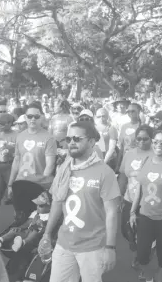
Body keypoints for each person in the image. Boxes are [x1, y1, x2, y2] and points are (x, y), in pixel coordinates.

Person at [41, 121, 119, 282]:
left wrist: (110, 248)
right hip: (64, 244)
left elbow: (112, 212)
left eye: (77, 139)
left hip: (93, 247)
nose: (71, 143)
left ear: (91, 141)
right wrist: (47, 234)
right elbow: (57, 201)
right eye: (68, 139)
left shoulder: (105, 172)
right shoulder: (64, 168)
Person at [130, 129, 162, 282]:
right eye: (156, 142)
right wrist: (133, 211)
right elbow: (139, 189)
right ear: (152, 143)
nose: (159, 145)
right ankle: (148, 277)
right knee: (142, 255)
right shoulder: (146, 161)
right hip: (145, 216)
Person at [8, 103, 57, 222]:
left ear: (41, 117)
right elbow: (16, 160)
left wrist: (43, 185)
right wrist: (10, 184)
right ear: (25, 118)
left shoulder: (48, 138)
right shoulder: (20, 136)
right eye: (29, 116)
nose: (33, 119)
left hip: (39, 186)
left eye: (36, 116)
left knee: (38, 220)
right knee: (20, 218)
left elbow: (50, 165)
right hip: (21, 184)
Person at [118, 124, 154, 267]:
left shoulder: (155, 155)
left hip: (148, 201)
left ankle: (143, 257)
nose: (141, 141)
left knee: (144, 233)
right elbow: (122, 175)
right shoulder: (129, 154)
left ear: (151, 139)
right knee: (127, 230)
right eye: (138, 138)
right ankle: (139, 251)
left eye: (145, 139)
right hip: (129, 199)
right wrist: (119, 195)